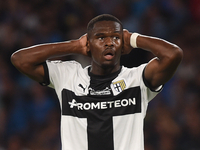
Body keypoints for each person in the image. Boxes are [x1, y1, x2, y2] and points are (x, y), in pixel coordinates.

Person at [11, 14, 183, 150]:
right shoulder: (67, 75)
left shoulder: (137, 79)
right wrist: (74, 46)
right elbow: (20, 59)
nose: (109, 43)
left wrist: (132, 38)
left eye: (116, 38)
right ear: (89, 44)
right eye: (100, 38)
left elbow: (173, 54)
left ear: (122, 45)